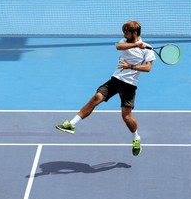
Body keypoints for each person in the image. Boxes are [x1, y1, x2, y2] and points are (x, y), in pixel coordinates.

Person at [55, 20, 156, 156]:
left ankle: (136, 138)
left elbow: (148, 68)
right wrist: (136, 45)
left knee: (126, 118)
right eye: (124, 32)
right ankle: (71, 124)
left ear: (135, 33)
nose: (124, 35)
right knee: (96, 98)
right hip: (115, 80)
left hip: (130, 85)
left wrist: (130, 66)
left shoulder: (148, 50)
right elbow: (118, 47)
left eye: (126, 32)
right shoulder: (125, 42)